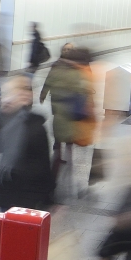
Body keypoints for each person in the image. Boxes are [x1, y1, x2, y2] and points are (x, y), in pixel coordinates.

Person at [0, 74, 55, 212]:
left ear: (25, 98)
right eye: (4, 93)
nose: (6, 99)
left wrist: (48, 200)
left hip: (26, 195)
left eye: (11, 93)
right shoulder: (3, 120)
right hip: (5, 189)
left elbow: (44, 165)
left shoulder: (35, 126)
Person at [39, 45, 96, 176]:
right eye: (65, 49)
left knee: (64, 132)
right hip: (64, 107)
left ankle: (60, 151)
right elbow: (49, 80)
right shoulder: (66, 68)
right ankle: (59, 149)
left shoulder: (74, 68)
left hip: (65, 107)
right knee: (63, 132)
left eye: (69, 50)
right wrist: (43, 93)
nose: (67, 51)